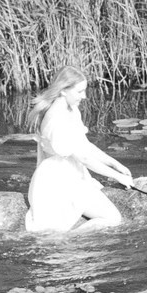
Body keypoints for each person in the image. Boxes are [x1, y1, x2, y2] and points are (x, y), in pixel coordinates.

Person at [24, 67, 134, 233]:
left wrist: (116, 164)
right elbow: (84, 158)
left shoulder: (71, 110)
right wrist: (117, 177)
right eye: (79, 91)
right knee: (112, 218)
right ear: (63, 91)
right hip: (58, 179)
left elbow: (86, 146)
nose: (84, 96)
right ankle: (71, 238)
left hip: (71, 172)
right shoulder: (57, 118)